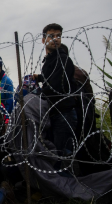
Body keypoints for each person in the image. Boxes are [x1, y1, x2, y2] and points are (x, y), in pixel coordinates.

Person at [33, 23, 77, 158]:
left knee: (60, 155)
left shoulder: (62, 59)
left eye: (58, 36)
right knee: (57, 151)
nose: (56, 39)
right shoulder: (51, 60)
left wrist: (36, 95)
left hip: (64, 113)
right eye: (51, 36)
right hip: (56, 112)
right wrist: (39, 77)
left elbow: (55, 87)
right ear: (43, 40)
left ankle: (64, 179)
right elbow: (51, 78)